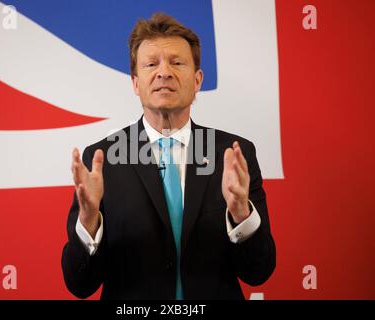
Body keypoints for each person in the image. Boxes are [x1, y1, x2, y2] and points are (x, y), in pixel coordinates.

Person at [61, 12, 276, 300]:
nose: (164, 72)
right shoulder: (102, 159)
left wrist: (241, 213)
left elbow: (258, 272)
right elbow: (79, 284)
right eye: (151, 64)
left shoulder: (234, 154)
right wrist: (88, 220)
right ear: (136, 83)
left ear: (197, 80)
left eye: (177, 62)